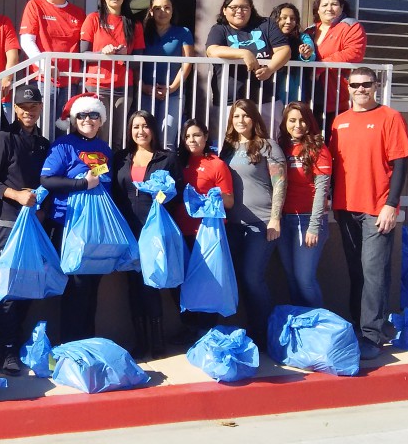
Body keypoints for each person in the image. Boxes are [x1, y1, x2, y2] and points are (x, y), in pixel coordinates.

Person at [329, 67, 408, 360]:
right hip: (345, 207)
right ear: (348, 87)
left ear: (376, 86)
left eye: (366, 84)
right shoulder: (339, 122)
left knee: (374, 272)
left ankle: (372, 336)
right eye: (356, 85)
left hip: (377, 209)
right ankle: (358, 326)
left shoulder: (390, 117)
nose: (361, 89)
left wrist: (392, 204)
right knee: (357, 272)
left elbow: (400, 163)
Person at [0, 84, 50, 376]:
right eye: (23, 107)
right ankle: (5, 352)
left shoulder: (44, 143)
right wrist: (16, 195)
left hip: (35, 226)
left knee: (28, 288)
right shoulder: (2, 138)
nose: (28, 112)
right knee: (9, 290)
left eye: (33, 107)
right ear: (15, 109)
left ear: (40, 108)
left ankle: (18, 346)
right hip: (9, 223)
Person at [40, 92, 112, 343]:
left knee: (92, 288)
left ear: (101, 120)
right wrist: (82, 184)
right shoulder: (63, 145)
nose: (88, 120)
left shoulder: (105, 149)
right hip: (69, 224)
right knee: (75, 287)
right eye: (81, 115)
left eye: (94, 115)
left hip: (98, 227)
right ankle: (71, 345)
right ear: (73, 119)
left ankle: (88, 343)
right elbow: (46, 180)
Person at [111, 111, 182, 358]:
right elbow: (113, 191)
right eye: (135, 126)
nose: (140, 131)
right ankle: (140, 342)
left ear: (153, 129)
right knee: (133, 285)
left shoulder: (167, 158)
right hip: (128, 228)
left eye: (145, 126)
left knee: (150, 284)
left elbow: (178, 192)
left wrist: (162, 197)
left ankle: (158, 341)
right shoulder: (120, 158)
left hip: (154, 228)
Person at [220, 99, 286, 349]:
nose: (240, 121)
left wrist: (275, 219)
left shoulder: (269, 146)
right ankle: (254, 330)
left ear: (255, 119)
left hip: (261, 224)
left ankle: (266, 333)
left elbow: (280, 184)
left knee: (252, 277)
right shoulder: (227, 149)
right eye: (236, 116)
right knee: (240, 278)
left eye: (245, 116)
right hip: (234, 226)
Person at [169, 119, 235, 344]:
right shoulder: (180, 163)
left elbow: (229, 202)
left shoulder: (217, 164)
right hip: (181, 230)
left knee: (207, 283)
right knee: (182, 282)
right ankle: (189, 327)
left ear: (206, 138)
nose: (192, 140)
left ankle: (206, 331)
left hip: (207, 235)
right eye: (187, 136)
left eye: (196, 135)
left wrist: (213, 197)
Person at [205, 0, 290, 129]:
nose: (239, 11)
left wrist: (270, 69)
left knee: (269, 143)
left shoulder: (266, 24)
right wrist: (244, 53)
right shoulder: (219, 29)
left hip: (265, 99)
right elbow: (212, 50)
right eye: (234, 7)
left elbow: (284, 50)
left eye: (245, 7)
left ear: (251, 9)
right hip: (230, 102)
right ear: (225, 10)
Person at [79, 0, 145, 146]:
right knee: (101, 135)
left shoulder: (134, 24)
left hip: (124, 87)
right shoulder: (93, 19)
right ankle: (99, 173)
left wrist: (127, 56)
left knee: (119, 138)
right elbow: (82, 55)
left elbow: (139, 60)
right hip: (97, 85)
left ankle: (114, 173)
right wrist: (101, 53)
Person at [276, 101, 331, 308]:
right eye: (292, 120)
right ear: (285, 123)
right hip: (284, 221)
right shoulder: (281, 146)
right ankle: (302, 327)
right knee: (291, 278)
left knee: (304, 279)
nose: (297, 125)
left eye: (302, 120)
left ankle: (320, 327)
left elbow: (321, 191)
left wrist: (314, 226)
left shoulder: (319, 149)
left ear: (310, 123)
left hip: (308, 221)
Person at [20, 0, 86, 130]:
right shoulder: (35, 6)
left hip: (71, 82)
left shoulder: (79, 13)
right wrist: (45, 65)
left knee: (67, 131)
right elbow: (27, 40)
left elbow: (86, 46)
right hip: (43, 81)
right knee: (44, 129)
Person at [304, 0, 367, 131]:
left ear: (342, 7)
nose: (329, 8)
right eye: (324, 5)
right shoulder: (310, 30)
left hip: (338, 98)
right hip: (309, 97)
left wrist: (320, 66)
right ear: (318, 9)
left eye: (334, 4)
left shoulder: (351, 26)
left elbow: (354, 53)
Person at [140, 0, 194, 149]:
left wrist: (172, 88)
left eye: (166, 8)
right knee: (144, 136)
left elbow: (187, 63)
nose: (162, 12)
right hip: (146, 92)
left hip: (174, 93)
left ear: (172, 10)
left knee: (167, 136)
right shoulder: (142, 32)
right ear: (151, 11)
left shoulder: (183, 32)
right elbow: (135, 64)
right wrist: (145, 88)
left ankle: (165, 171)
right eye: (157, 8)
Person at [270, 3, 316, 104]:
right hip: (269, 88)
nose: (288, 22)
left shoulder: (303, 37)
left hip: (294, 88)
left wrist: (306, 54)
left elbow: (311, 53)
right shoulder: (268, 36)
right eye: (284, 18)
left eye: (292, 18)